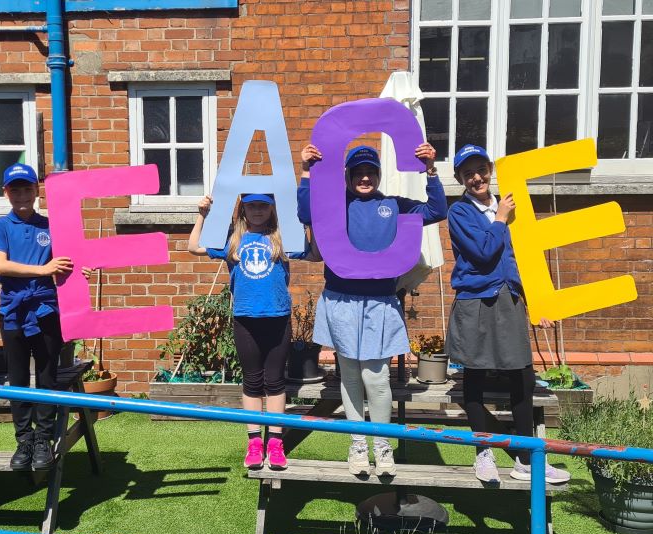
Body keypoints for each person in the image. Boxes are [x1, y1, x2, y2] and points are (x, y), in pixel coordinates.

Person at [297, 142, 447, 476]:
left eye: (371, 172)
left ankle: (382, 445)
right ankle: (357, 445)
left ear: (378, 175)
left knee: (376, 378)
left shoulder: (393, 205)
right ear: (348, 175)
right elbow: (306, 213)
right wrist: (306, 171)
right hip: (342, 300)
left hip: (380, 302)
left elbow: (437, 210)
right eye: (358, 172)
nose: (365, 177)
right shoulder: (335, 204)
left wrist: (431, 170)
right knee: (349, 375)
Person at [446, 144, 570, 484]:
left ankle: (527, 458)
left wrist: (538, 303)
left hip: (510, 299)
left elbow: (524, 260)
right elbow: (483, 253)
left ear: (490, 170)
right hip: (475, 302)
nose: (476, 178)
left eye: (481, 169)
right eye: (467, 173)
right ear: (460, 178)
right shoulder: (460, 213)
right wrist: (500, 218)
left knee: (522, 378)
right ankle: (483, 452)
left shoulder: (511, 207)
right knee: (475, 378)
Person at [188, 193, 310, 470]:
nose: (257, 210)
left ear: (271, 209)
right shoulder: (232, 239)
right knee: (253, 382)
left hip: (277, 318)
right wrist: (202, 215)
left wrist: (309, 219)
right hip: (245, 319)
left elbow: (314, 254)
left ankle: (275, 442)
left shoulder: (282, 237)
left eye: (263, 205)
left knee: (276, 382)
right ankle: (255, 442)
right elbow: (193, 246)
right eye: (252, 205)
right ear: (243, 208)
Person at [0, 163, 73, 471]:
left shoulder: (50, 225)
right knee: (19, 377)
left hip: (47, 310)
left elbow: (66, 262)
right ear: (6, 193)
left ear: (37, 191)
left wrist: (78, 269)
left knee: (47, 375)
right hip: (14, 312)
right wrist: (43, 270)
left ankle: (43, 439)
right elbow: (0, 266)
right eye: (15, 189)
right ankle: (24, 439)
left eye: (27, 188)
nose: (22, 194)